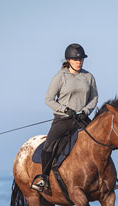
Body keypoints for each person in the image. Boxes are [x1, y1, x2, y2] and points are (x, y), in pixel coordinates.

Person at [31, 43, 98, 193]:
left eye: (81, 59)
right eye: (75, 59)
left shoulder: (89, 77)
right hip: (63, 119)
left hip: (81, 119)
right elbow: (49, 99)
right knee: (48, 146)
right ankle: (44, 179)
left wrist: (85, 111)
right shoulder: (60, 77)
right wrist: (65, 109)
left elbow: (94, 98)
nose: (79, 62)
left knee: (99, 141)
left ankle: (106, 179)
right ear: (68, 60)